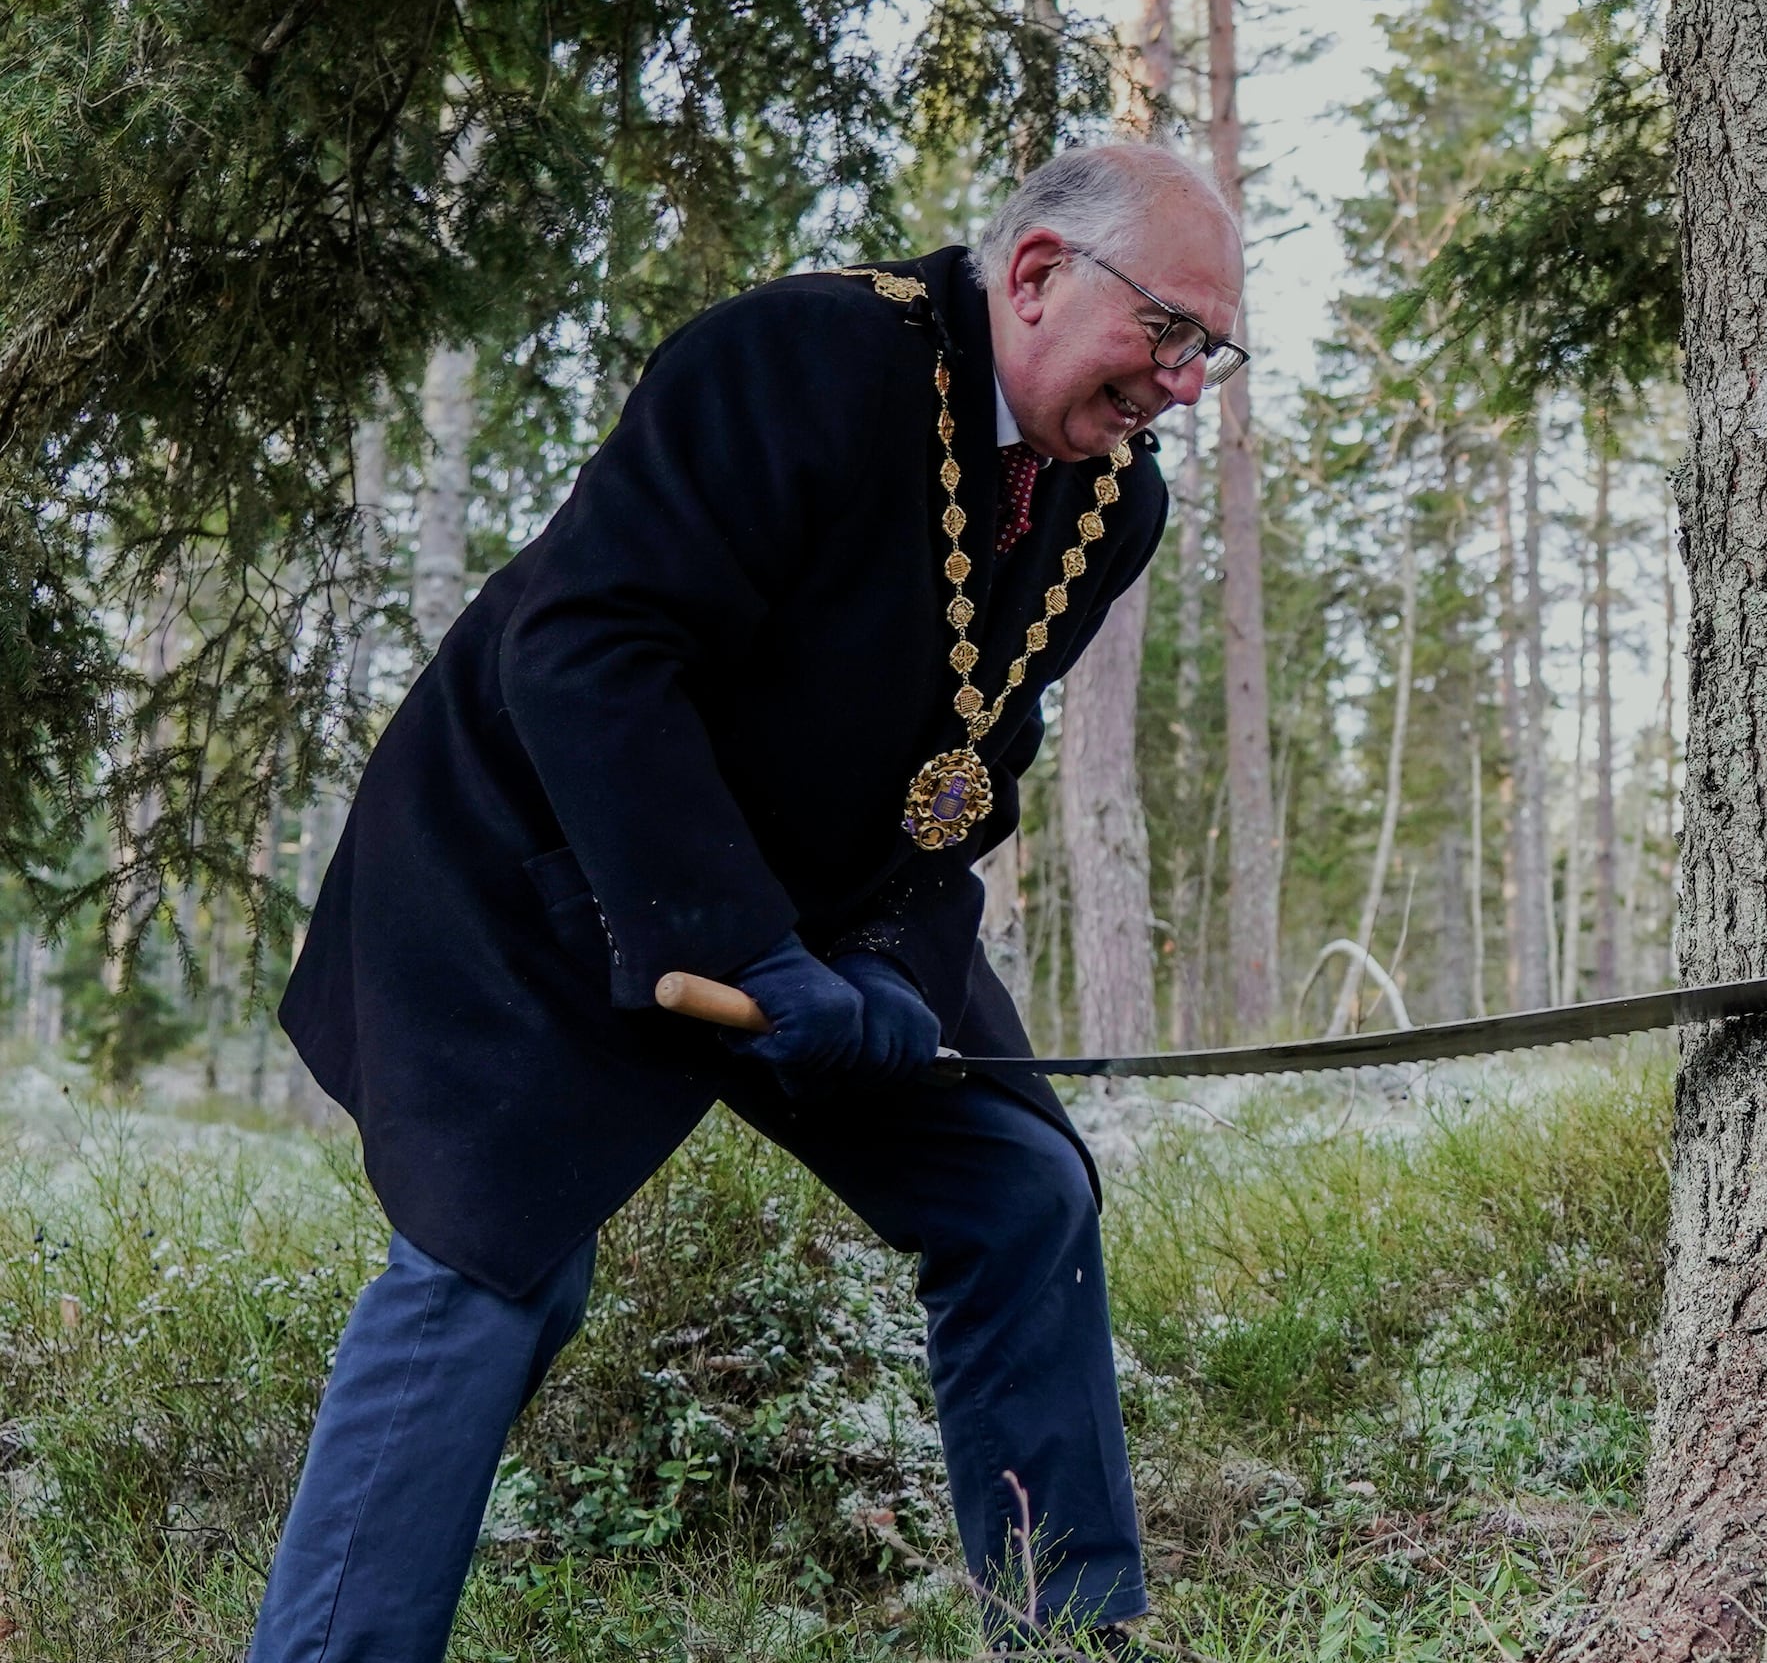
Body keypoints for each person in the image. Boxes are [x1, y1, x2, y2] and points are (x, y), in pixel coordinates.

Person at [259, 144, 1250, 1658]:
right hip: (540, 858)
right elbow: (587, 651)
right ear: (1039, 272)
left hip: (821, 901)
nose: (1182, 383)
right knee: (493, 1266)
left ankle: (1070, 1642)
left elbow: (972, 763)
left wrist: (886, 973)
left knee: (1015, 1191)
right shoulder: (796, 356)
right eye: (1169, 331)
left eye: (1209, 353)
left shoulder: (1111, 502)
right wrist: (738, 947)